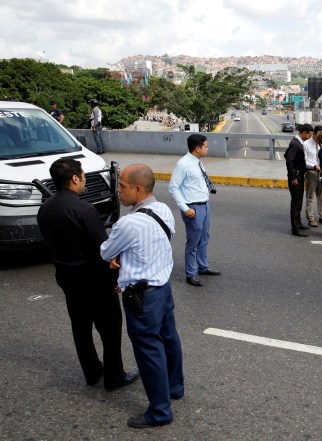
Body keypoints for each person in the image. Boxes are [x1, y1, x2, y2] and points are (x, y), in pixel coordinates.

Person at [36, 158, 139, 392]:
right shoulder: (84, 210)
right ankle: (114, 376)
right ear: (74, 178)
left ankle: (92, 372)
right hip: (95, 281)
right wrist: (115, 280)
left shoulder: (45, 209)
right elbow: (104, 251)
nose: (83, 179)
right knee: (110, 330)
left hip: (67, 278)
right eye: (82, 176)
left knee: (81, 328)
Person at [100, 164, 184, 429]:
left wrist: (118, 258)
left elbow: (105, 251)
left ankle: (160, 412)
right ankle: (175, 387)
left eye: (122, 186)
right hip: (162, 288)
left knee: (148, 351)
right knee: (169, 338)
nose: (118, 191)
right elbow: (156, 243)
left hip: (141, 297)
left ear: (138, 189)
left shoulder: (128, 223)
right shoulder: (163, 210)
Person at [168, 133, 220, 287]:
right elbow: (173, 187)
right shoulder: (183, 164)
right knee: (193, 242)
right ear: (198, 148)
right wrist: (185, 208)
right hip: (193, 208)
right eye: (206, 146)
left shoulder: (197, 162)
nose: (207, 149)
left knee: (204, 238)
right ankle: (191, 274)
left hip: (204, 205)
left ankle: (203, 266)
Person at [285, 123, 314, 237]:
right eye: (310, 135)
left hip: (299, 175)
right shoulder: (295, 144)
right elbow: (289, 161)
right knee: (296, 202)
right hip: (296, 177)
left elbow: (286, 155)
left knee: (299, 201)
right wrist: (294, 177)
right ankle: (295, 228)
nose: (310, 137)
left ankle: (298, 223)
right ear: (304, 133)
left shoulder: (297, 142)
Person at [303, 125, 322, 227]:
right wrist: (314, 166)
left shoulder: (321, 144)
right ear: (314, 133)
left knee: (321, 195)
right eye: (319, 135)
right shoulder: (306, 144)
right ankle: (310, 218)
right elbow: (304, 160)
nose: (321, 137)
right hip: (311, 172)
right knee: (310, 196)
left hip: (321, 172)